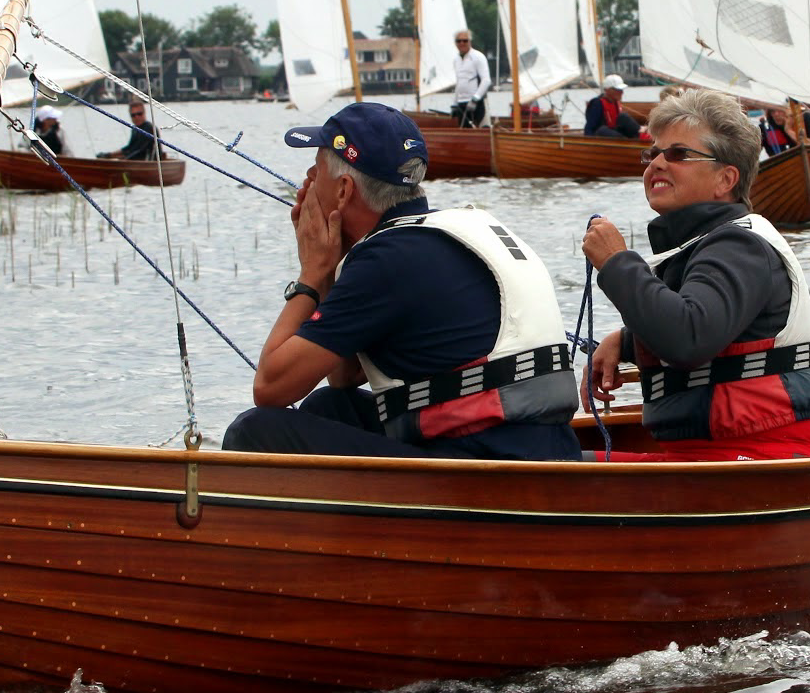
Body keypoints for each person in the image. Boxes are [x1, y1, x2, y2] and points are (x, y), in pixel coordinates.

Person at [223, 102, 579, 460]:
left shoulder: (386, 260)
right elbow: (344, 377)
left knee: (252, 432)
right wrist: (333, 268)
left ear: (344, 190)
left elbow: (269, 388)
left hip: (489, 463)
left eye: (316, 170)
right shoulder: (429, 235)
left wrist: (311, 275)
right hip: (530, 445)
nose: (308, 180)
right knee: (331, 405)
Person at [579, 91, 810, 462]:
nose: (657, 163)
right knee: (553, 459)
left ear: (725, 179)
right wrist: (626, 342)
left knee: (547, 465)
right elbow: (718, 327)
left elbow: (689, 337)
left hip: (756, 459)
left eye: (678, 154)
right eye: (653, 153)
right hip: (709, 455)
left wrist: (617, 263)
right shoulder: (702, 246)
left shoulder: (740, 246)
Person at [449, 30, 490, 128]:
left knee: (478, 129)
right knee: (463, 130)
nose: (462, 43)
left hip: (476, 103)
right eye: (459, 41)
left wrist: (475, 99)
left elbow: (486, 80)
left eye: (465, 40)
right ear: (455, 43)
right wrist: (455, 104)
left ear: (470, 41)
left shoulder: (478, 57)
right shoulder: (456, 60)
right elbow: (459, 83)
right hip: (461, 103)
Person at [584, 74, 642, 139]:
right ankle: (625, 142)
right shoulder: (597, 103)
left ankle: (642, 135)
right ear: (607, 90)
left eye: (621, 90)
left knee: (624, 117)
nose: (621, 92)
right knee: (603, 130)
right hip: (602, 136)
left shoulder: (616, 102)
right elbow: (589, 128)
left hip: (614, 132)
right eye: (618, 90)